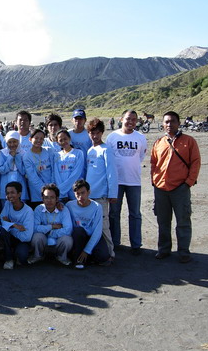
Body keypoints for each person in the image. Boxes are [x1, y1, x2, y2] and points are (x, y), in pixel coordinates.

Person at [151, 111, 201, 263]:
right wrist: (154, 180)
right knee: (163, 221)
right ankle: (164, 249)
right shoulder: (159, 143)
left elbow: (195, 162)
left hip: (180, 188)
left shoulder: (189, 141)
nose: (169, 124)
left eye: (172, 121)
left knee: (183, 221)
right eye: (166, 122)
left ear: (179, 123)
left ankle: (183, 251)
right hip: (160, 188)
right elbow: (154, 163)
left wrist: (188, 182)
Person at [106, 110, 148, 255]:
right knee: (114, 213)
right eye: (128, 119)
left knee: (135, 213)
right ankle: (115, 243)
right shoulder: (112, 137)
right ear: (121, 119)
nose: (130, 122)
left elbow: (141, 156)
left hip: (134, 181)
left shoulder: (141, 138)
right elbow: (109, 158)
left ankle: (136, 244)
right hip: (116, 182)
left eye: (134, 120)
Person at [86, 118, 118, 258]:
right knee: (91, 226)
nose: (95, 136)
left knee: (104, 226)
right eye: (92, 133)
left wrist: (112, 193)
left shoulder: (106, 150)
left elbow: (111, 173)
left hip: (102, 196)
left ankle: (111, 253)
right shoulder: (90, 150)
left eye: (97, 133)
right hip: (89, 196)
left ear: (102, 133)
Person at [66, 180, 111, 267]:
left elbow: (97, 232)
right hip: (78, 236)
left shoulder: (97, 207)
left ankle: (87, 256)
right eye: (77, 194)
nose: (80, 197)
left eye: (83, 193)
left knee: (103, 256)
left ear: (89, 192)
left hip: (92, 235)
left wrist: (86, 251)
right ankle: (78, 259)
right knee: (78, 231)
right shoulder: (69, 205)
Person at [30, 184, 73, 266]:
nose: (49, 200)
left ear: (57, 199)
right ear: (42, 198)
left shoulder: (63, 209)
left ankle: (62, 257)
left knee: (67, 239)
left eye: (52, 197)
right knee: (37, 237)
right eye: (46, 197)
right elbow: (34, 228)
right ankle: (38, 256)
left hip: (58, 239)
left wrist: (49, 232)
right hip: (44, 240)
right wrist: (52, 227)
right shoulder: (38, 209)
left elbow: (68, 229)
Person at [0, 182, 34, 269]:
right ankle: (9, 259)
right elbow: (1, 220)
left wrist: (9, 226)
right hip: (11, 236)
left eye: (12, 192)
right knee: (2, 230)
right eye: (7, 193)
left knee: (22, 257)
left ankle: (16, 253)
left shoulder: (28, 211)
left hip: (22, 240)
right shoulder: (7, 204)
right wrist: (14, 225)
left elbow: (27, 237)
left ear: (19, 194)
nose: (9, 195)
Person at [22, 129, 54, 206]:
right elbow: (32, 177)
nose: (39, 140)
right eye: (36, 138)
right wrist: (45, 192)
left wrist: (52, 189)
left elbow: (54, 170)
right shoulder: (27, 156)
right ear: (30, 139)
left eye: (41, 138)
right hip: (38, 194)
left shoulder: (48, 151)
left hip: (53, 191)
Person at [53, 129, 84, 202]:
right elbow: (56, 174)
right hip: (61, 194)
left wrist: (63, 189)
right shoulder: (56, 155)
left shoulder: (78, 153)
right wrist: (61, 192)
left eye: (65, 139)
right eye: (60, 140)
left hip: (75, 191)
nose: (63, 142)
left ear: (69, 139)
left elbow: (76, 173)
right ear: (57, 142)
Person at [69, 109, 92, 176]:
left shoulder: (89, 134)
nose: (78, 121)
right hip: (71, 167)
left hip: (85, 167)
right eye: (76, 119)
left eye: (80, 119)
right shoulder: (68, 134)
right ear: (72, 120)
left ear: (85, 120)